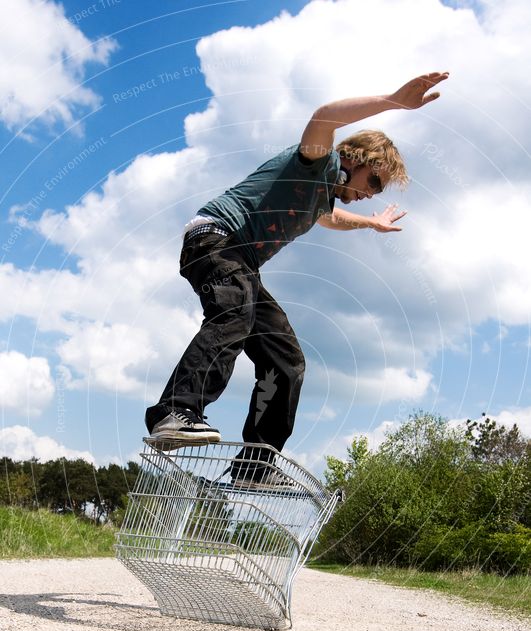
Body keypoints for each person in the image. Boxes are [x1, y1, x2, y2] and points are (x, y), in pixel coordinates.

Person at [145, 71, 449, 487]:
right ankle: (173, 412)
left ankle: (256, 466)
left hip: (241, 262)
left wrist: (371, 224)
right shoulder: (317, 161)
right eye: (373, 182)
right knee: (234, 313)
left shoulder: (322, 196)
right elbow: (323, 116)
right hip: (216, 238)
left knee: (285, 359)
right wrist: (394, 101)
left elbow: (331, 218)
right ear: (356, 159)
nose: (373, 193)